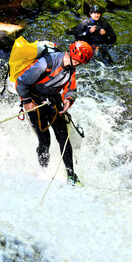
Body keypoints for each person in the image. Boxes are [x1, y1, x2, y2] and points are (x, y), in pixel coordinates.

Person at [16, 41, 94, 186]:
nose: (79, 65)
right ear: (73, 57)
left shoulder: (71, 68)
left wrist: (68, 100)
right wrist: (27, 101)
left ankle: (71, 175)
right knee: (45, 140)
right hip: (34, 102)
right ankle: (43, 171)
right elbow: (21, 82)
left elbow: (70, 89)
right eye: (79, 62)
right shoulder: (45, 64)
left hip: (52, 100)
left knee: (63, 136)